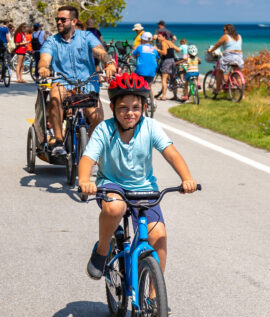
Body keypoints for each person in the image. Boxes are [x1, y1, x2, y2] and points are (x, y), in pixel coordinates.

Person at [80, 73, 198, 280]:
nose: (130, 113)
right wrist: (84, 181)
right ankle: (102, 248)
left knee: (158, 236)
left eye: (136, 107)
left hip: (144, 189)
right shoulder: (104, 129)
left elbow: (171, 153)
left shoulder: (150, 127)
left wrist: (186, 178)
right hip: (111, 185)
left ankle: (154, 298)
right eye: (123, 108)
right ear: (113, 108)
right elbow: (88, 158)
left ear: (144, 108)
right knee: (115, 207)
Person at [37, 4, 117, 156]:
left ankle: (91, 151)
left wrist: (109, 63)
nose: (59, 22)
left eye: (63, 19)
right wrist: (43, 68)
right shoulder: (52, 41)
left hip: (87, 85)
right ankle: (59, 142)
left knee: (97, 117)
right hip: (63, 84)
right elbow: (44, 59)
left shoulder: (87, 37)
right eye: (57, 19)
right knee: (55, 95)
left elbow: (99, 51)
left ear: (74, 21)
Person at [154, 32, 179, 100]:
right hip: (172, 61)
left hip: (167, 61)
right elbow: (178, 50)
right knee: (173, 79)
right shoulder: (170, 42)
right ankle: (175, 96)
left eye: (159, 36)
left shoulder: (163, 42)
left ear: (164, 37)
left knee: (164, 79)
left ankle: (164, 96)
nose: (158, 38)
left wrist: (157, 49)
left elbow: (164, 52)